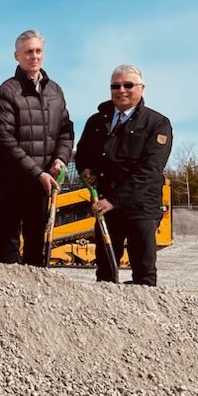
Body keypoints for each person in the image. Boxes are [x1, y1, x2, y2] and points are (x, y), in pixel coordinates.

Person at [75, 64, 172, 286]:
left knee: (143, 273)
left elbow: (150, 170)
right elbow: (82, 154)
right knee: (106, 272)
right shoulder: (97, 122)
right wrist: (85, 169)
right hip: (106, 209)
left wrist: (114, 200)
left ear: (142, 88)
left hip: (141, 208)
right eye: (115, 86)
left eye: (128, 85)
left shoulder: (157, 124)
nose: (122, 90)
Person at [0, 29, 74, 266]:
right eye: (28, 52)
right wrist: (37, 173)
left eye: (38, 51)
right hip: (14, 182)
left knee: (37, 242)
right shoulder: (8, 91)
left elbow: (66, 131)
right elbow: (3, 139)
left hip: (44, 184)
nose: (34, 56)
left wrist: (60, 159)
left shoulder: (55, 91)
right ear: (17, 56)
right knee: (8, 240)